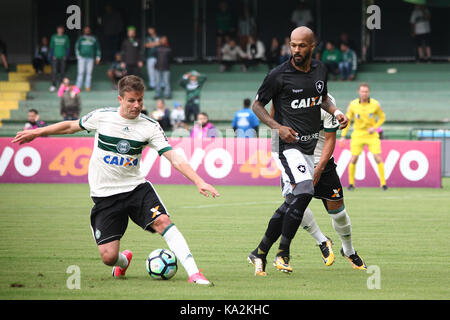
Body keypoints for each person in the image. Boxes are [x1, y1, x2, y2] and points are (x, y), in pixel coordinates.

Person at [12, 75, 219, 286]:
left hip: (135, 189)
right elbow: (70, 126)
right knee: (109, 257)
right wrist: (37, 132)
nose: (137, 105)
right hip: (105, 195)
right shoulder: (103, 117)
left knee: (163, 222)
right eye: (131, 100)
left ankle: (194, 274)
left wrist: (198, 181)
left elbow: (173, 157)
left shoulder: (150, 126)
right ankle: (124, 260)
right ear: (120, 99)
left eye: (140, 100)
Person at [247, 26, 348, 276]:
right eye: (292, 45)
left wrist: (335, 111)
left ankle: (259, 251)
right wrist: (277, 127)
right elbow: (257, 105)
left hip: (308, 146)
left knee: (294, 200)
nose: (296, 50)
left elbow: (321, 98)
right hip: (285, 144)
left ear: (313, 46)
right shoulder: (278, 75)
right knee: (304, 189)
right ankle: (283, 253)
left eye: (301, 45)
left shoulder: (321, 70)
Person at [268, 94, 367, 272]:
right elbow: (275, 127)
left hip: (322, 162)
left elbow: (330, 138)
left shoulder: (327, 102)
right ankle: (322, 240)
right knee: (295, 205)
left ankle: (349, 250)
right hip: (294, 162)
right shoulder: (287, 99)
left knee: (339, 213)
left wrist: (319, 168)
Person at [339, 82, 387, 191]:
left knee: (377, 157)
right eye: (362, 91)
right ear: (359, 92)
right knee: (354, 158)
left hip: (371, 135)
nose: (364, 93)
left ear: (368, 92)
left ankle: (383, 184)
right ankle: (351, 184)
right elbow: (348, 120)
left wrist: (374, 127)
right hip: (358, 134)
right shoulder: (353, 104)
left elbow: (382, 117)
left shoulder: (375, 104)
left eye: (366, 91)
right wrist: (343, 135)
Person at [75, 26, 101, 92]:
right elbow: (76, 47)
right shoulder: (81, 38)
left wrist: (98, 57)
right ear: (84, 31)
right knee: (81, 72)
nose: (87, 31)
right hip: (82, 58)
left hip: (90, 58)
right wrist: (78, 56)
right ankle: (78, 87)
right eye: (86, 30)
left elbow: (97, 48)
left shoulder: (93, 38)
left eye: (88, 30)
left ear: (90, 31)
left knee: (89, 73)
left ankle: (87, 87)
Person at [49, 25, 70, 92]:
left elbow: (68, 48)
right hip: (55, 57)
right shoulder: (54, 37)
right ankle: (53, 85)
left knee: (62, 72)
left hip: (63, 57)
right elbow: (51, 47)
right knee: (54, 71)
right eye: (59, 29)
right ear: (57, 30)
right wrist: (52, 56)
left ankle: (62, 86)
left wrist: (66, 56)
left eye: (61, 29)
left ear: (63, 30)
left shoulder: (65, 37)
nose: (60, 30)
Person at [154, 35, 172, 100]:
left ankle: (167, 95)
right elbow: (155, 56)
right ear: (160, 40)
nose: (163, 41)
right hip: (157, 67)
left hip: (166, 68)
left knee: (166, 82)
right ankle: (157, 95)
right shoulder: (157, 48)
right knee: (157, 82)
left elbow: (170, 58)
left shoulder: (169, 48)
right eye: (162, 39)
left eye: (165, 40)